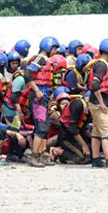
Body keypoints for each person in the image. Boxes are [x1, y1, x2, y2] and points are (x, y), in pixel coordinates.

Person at [85, 38, 108, 169]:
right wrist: (102, 103)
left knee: (96, 132)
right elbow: (95, 83)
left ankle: (96, 160)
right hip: (99, 103)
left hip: (95, 102)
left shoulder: (100, 64)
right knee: (107, 132)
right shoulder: (101, 65)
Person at [25, 36, 59, 168]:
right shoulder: (40, 58)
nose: (55, 51)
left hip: (43, 97)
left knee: (45, 125)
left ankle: (43, 154)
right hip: (38, 97)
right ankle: (34, 156)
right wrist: (37, 91)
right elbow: (27, 74)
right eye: (54, 48)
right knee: (41, 127)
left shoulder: (46, 60)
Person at [50, 93, 91, 164]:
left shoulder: (88, 108)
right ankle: (56, 151)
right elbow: (72, 129)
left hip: (76, 136)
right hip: (66, 137)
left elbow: (83, 126)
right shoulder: (77, 104)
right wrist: (84, 146)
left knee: (91, 156)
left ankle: (64, 153)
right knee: (84, 158)